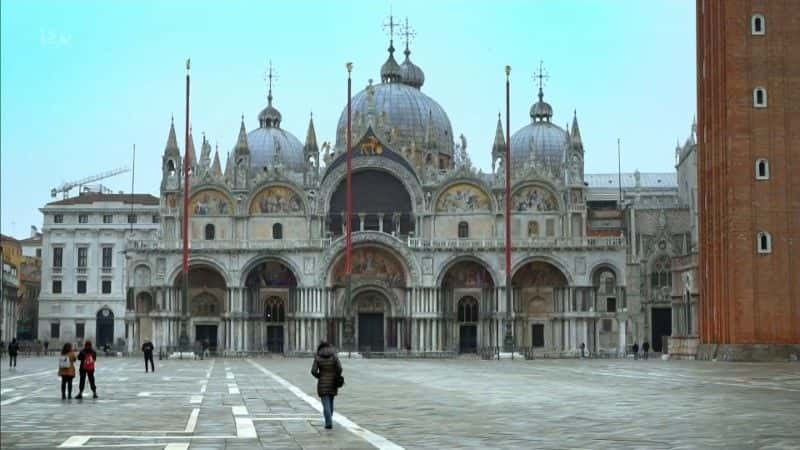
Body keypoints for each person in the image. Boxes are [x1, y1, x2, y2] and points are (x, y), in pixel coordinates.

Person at [311, 341, 342, 430]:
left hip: (322, 382)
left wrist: (320, 376)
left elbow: (313, 371)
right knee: (331, 402)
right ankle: (329, 420)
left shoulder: (318, 357)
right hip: (333, 382)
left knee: (326, 404)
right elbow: (339, 368)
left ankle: (328, 422)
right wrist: (337, 375)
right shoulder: (334, 356)